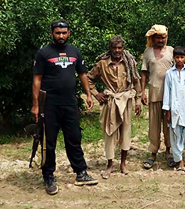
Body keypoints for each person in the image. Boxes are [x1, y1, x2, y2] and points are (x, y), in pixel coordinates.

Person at [31, 20, 98, 195]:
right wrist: (36, 105)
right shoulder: (44, 52)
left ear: (68, 33)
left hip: (70, 103)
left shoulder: (74, 51)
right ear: (52, 33)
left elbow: (82, 74)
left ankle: (81, 173)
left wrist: (89, 94)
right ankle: (48, 177)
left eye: (64, 32)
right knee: (49, 143)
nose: (61, 35)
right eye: (58, 32)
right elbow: (37, 80)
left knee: (74, 138)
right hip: (49, 104)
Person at [88, 35, 142, 179]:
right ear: (110, 49)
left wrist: (138, 100)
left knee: (126, 132)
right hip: (110, 102)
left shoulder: (129, 63)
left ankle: (123, 163)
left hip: (126, 100)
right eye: (114, 48)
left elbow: (136, 81)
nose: (117, 50)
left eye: (120, 48)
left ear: (123, 48)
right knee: (109, 132)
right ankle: (110, 164)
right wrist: (96, 94)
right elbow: (89, 79)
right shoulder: (102, 64)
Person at [141, 25, 174, 169]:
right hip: (154, 92)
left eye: (163, 37)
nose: (161, 40)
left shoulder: (172, 51)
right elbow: (144, 73)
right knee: (154, 126)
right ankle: (153, 153)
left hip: (170, 95)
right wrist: (142, 92)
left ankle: (169, 152)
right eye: (158, 37)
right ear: (153, 38)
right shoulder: (148, 52)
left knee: (169, 125)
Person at [162, 46, 185, 171]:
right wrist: (167, 111)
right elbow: (167, 92)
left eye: (182, 57)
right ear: (173, 58)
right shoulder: (169, 73)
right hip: (174, 109)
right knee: (176, 136)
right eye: (177, 57)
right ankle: (180, 161)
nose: (179, 60)